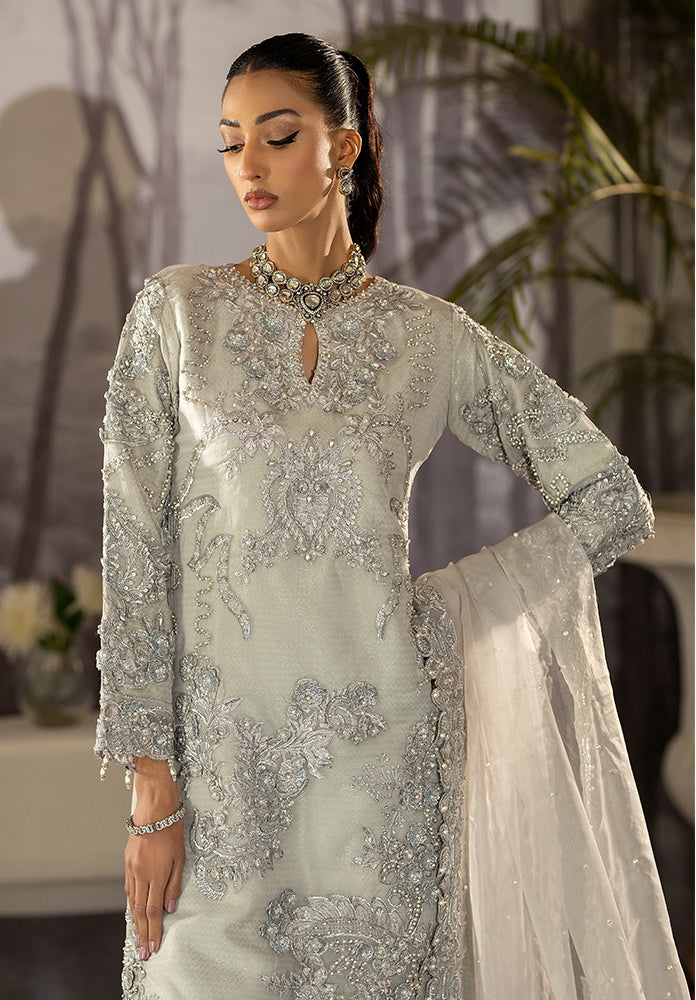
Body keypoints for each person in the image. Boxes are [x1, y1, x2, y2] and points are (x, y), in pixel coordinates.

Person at [95, 32, 687, 1000]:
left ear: (343, 145)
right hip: (217, 790)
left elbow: (608, 498)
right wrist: (150, 790)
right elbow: (133, 551)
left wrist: (446, 615)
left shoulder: (427, 337)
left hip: (379, 779)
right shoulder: (176, 317)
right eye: (230, 141)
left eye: (277, 135)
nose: (248, 165)